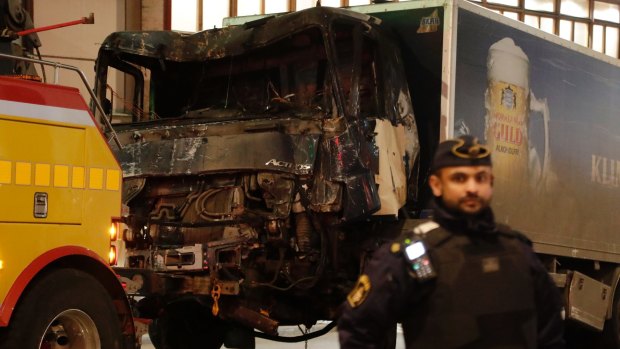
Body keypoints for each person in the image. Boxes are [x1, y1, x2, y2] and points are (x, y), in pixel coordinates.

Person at [338, 135, 565, 349]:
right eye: (459, 178)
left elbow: (550, 334)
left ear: (491, 183)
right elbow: (359, 327)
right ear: (436, 185)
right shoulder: (413, 256)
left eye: (481, 178)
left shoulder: (520, 253)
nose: (472, 188)